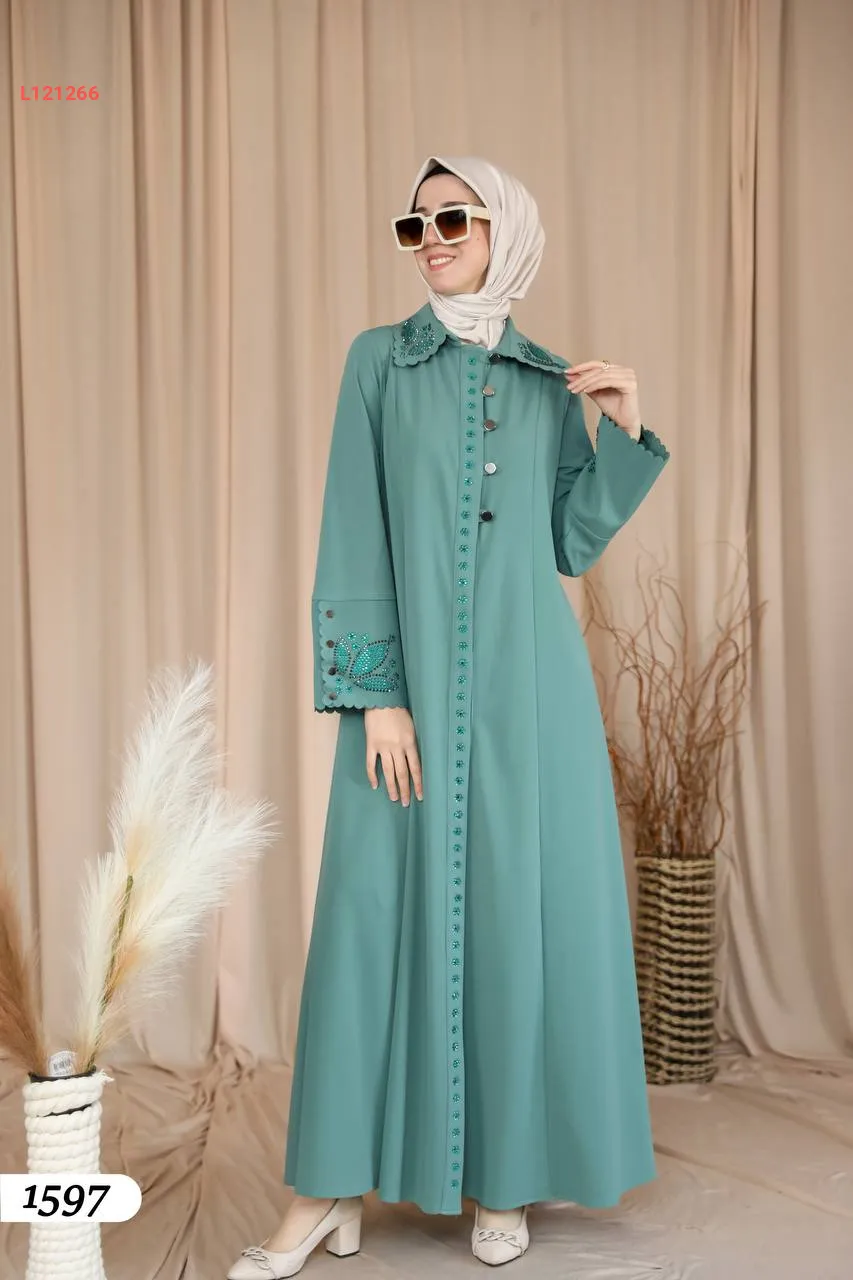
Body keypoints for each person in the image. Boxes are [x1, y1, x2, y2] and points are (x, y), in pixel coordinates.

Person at [228, 155, 670, 1279]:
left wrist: (625, 431)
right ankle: (324, 1189)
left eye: (453, 218)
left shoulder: (544, 378)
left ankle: (501, 1177)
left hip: (531, 697)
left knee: (515, 920)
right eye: (414, 223)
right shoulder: (378, 361)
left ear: (501, 231)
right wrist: (377, 695)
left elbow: (569, 542)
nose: (429, 237)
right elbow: (351, 522)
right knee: (367, 920)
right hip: (406, 693)